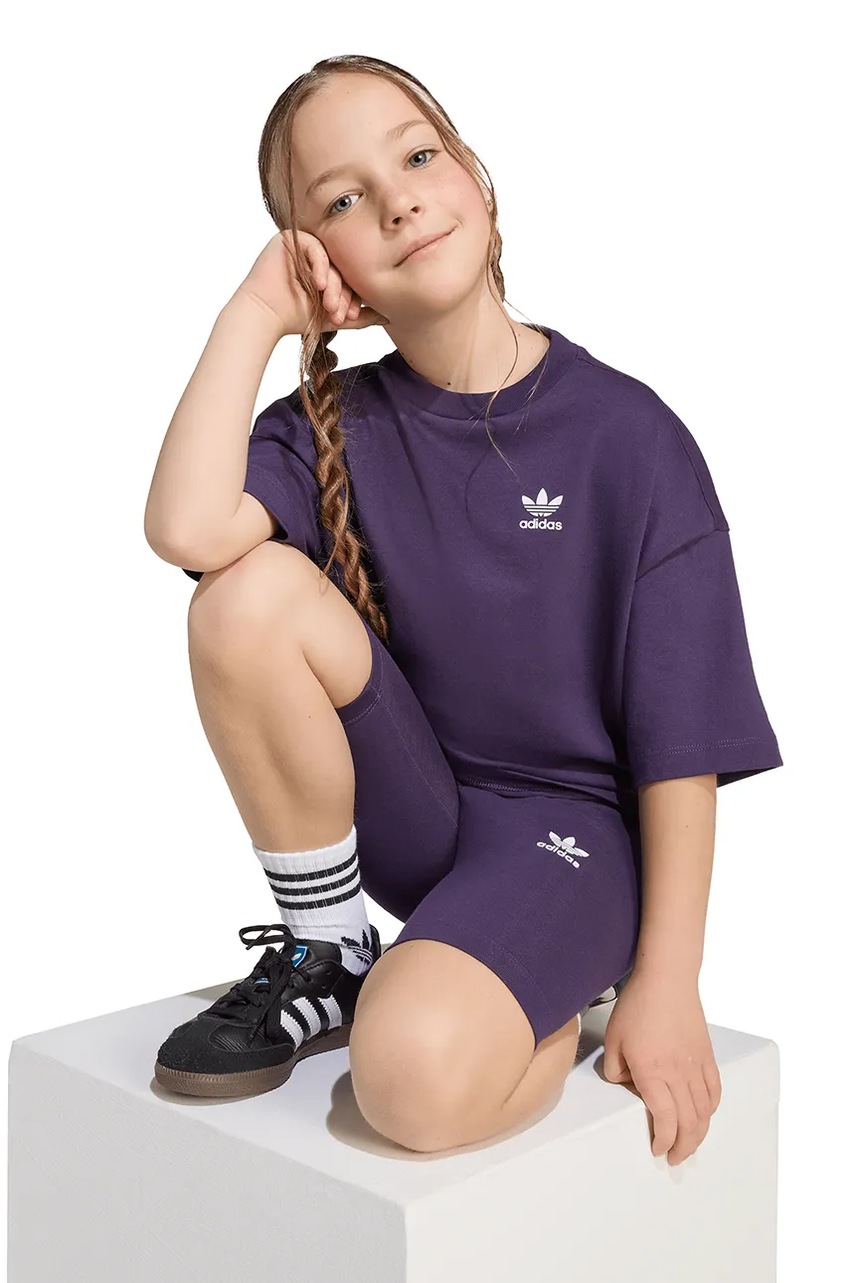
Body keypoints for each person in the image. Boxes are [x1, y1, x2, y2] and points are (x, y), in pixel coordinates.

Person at [144, 55, 782, 1163]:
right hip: (415, 813)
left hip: (566, 837)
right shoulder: (330, 423)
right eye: (342, 199)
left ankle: (541, 988)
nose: (396, 201)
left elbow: (682, 744)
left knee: (406, 1082)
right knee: (239, 597)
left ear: (475, 178)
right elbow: (189, 531)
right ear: (317, 261)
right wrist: (256, 312)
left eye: (417, 156)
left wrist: (667, 981)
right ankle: (331, 947)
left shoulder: (629, 437)